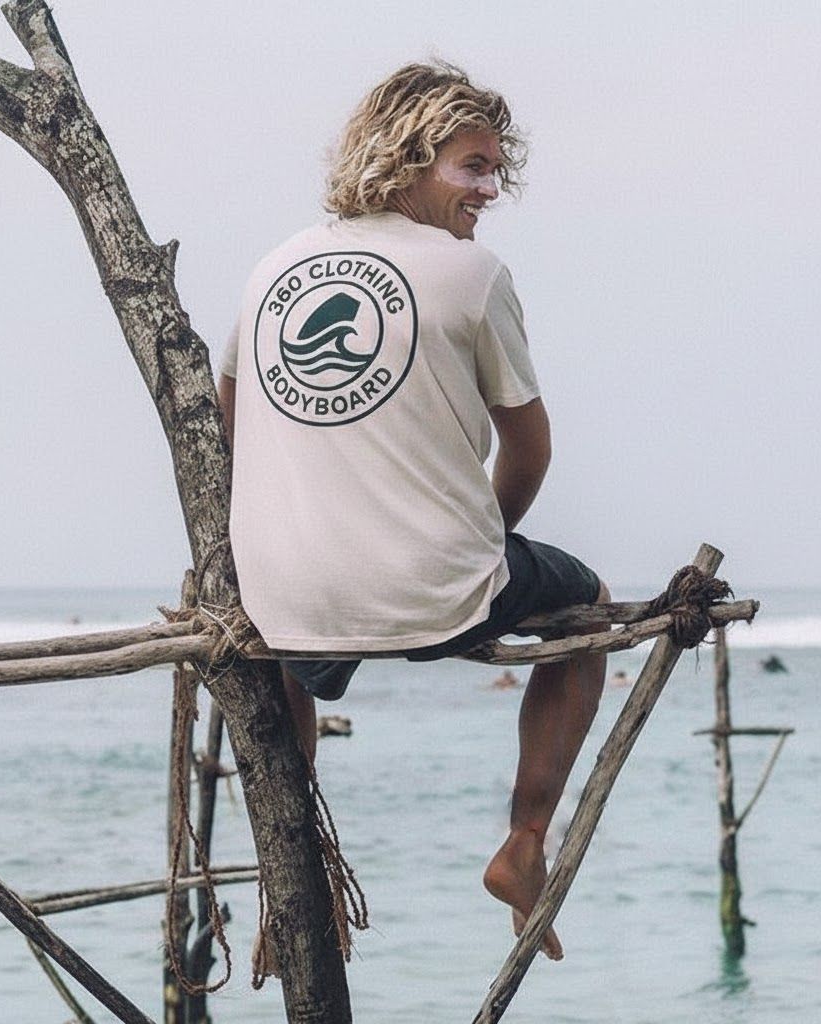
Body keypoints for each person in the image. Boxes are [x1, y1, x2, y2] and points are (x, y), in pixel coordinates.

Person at [217, 62, 608, 963]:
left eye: (496, 169)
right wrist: (485, 552)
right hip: (432, 588)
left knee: (292, 656)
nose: (491, 189)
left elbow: (233, 421)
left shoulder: (275, 264)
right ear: (408, 158)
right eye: (473, 166)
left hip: (289, 599)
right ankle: (523, 844)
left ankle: (297, 860)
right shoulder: (471, 273)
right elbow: (530, 448)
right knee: (586, 607)